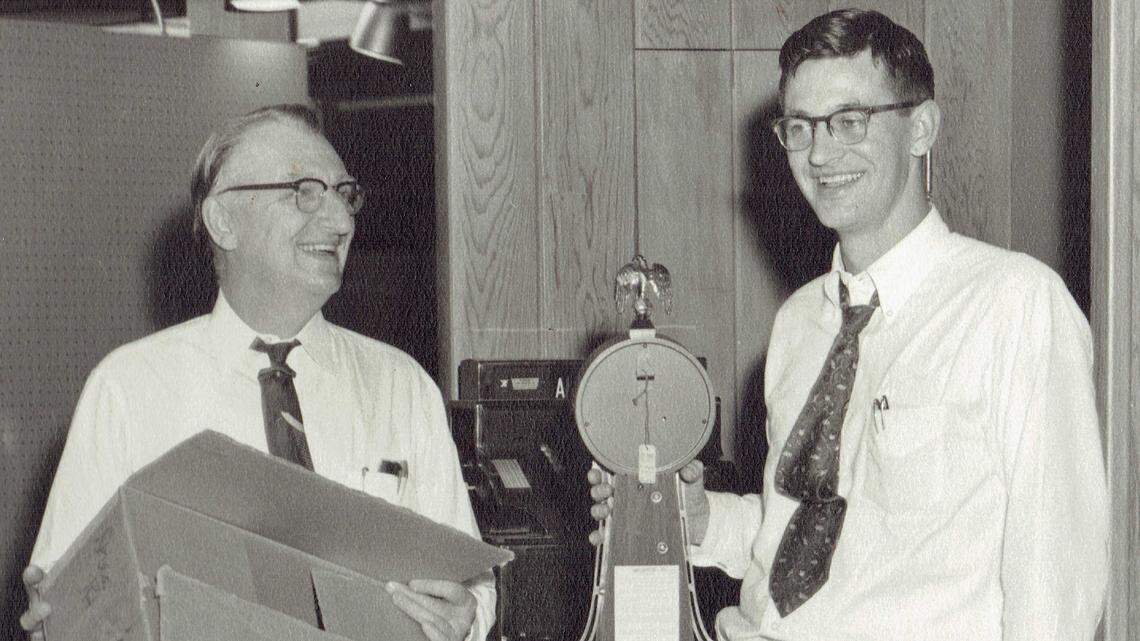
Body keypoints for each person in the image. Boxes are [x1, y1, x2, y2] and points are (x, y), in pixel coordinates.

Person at [589, 9, 1108, 641]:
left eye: (850, 121)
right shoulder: (799, 323)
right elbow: (819, 530)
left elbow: (1057, 589)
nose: (821, 152)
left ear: (921, 127)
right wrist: (697, 520)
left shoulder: (1016, 305)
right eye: (800, 127)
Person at [20, 104, 493, 641]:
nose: (340, 221)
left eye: (345, 194)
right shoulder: (128, 388)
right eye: (305, 192)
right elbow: (63, 600)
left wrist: (468, 615)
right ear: (223, 220)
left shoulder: (402, 387)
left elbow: (472, 585)